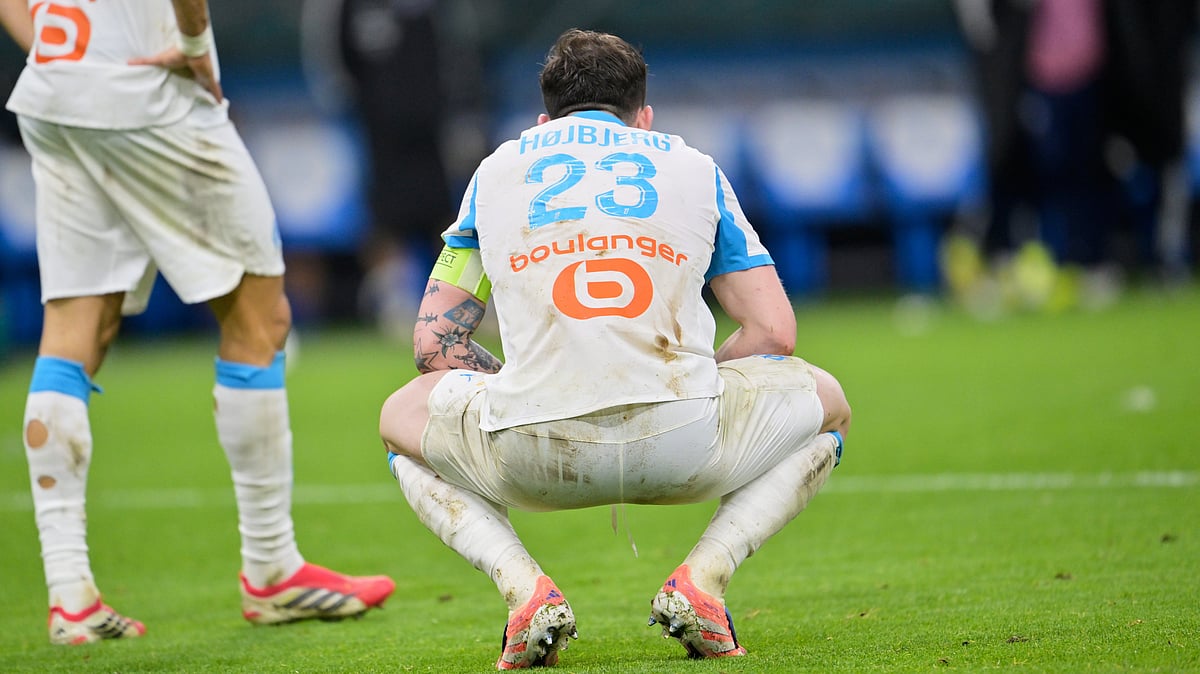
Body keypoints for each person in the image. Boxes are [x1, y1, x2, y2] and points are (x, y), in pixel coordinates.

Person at [378, 29, 852, 669]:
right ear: (644, 117)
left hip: (533, 452)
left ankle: (523, 589)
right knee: (828, 403)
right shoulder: (695, 167)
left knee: (400, 417)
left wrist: (519, 384)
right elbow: (773, 334)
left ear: (543, 122)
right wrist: (692, 383)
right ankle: (705, 578)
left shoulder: (495, 173)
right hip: (687, 439)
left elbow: (434, 343)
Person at [0, 0, 395, 645]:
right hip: (145, 91)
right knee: (261, 316)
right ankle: (271, 568)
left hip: (55, 86)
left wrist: (54, 50)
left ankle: (70, 597)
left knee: (75, 326)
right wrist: (193, 41)